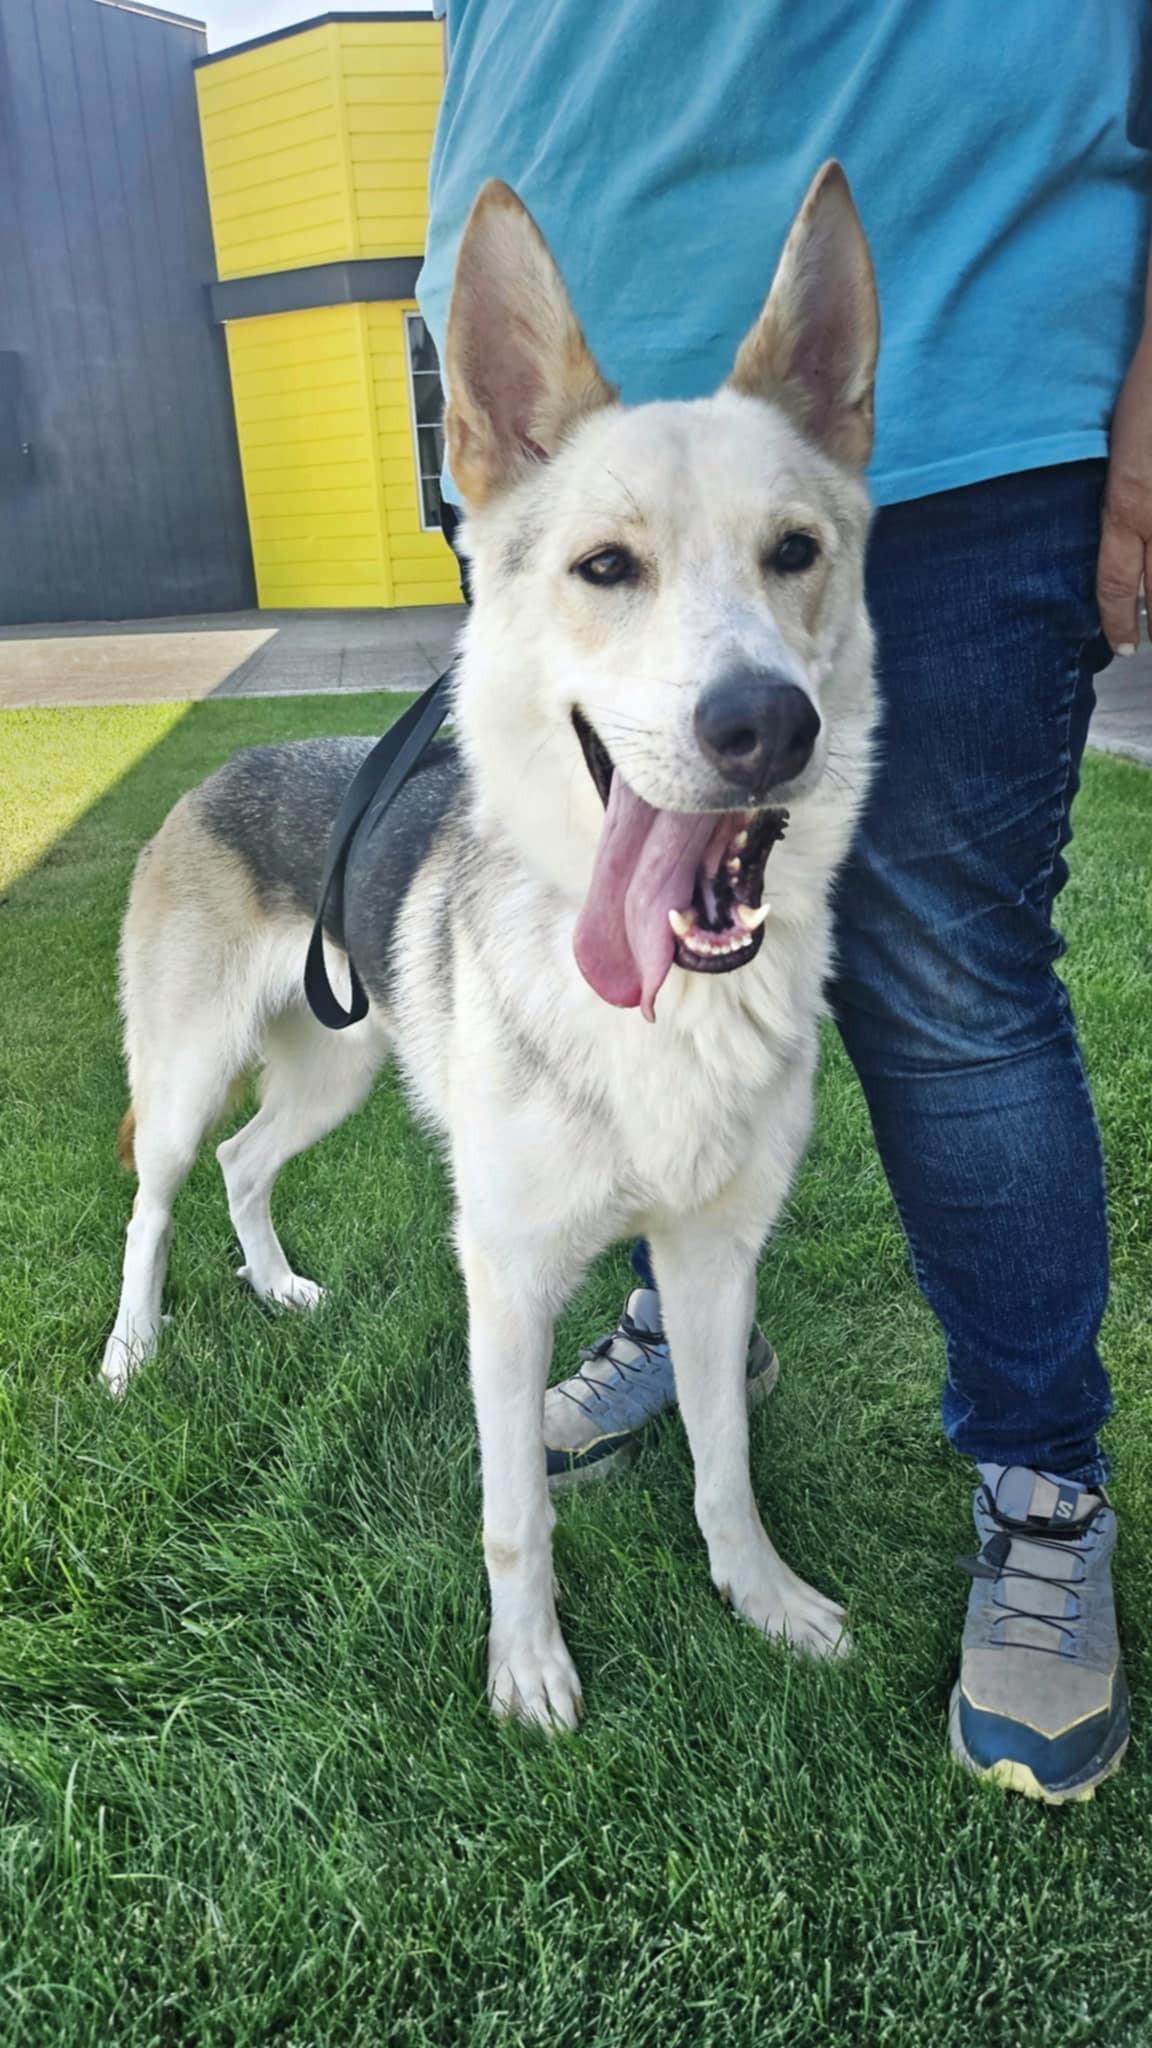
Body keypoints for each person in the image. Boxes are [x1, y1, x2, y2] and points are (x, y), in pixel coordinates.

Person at [418, 0, 1152, 1801]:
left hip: (989, 319)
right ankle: (651, 1347)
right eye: (618, 581)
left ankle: (1042, 1494)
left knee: (958, 991)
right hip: (545, 331)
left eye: (784, 575)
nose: (746, 685)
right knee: (635, 1036)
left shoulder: (841, 455)